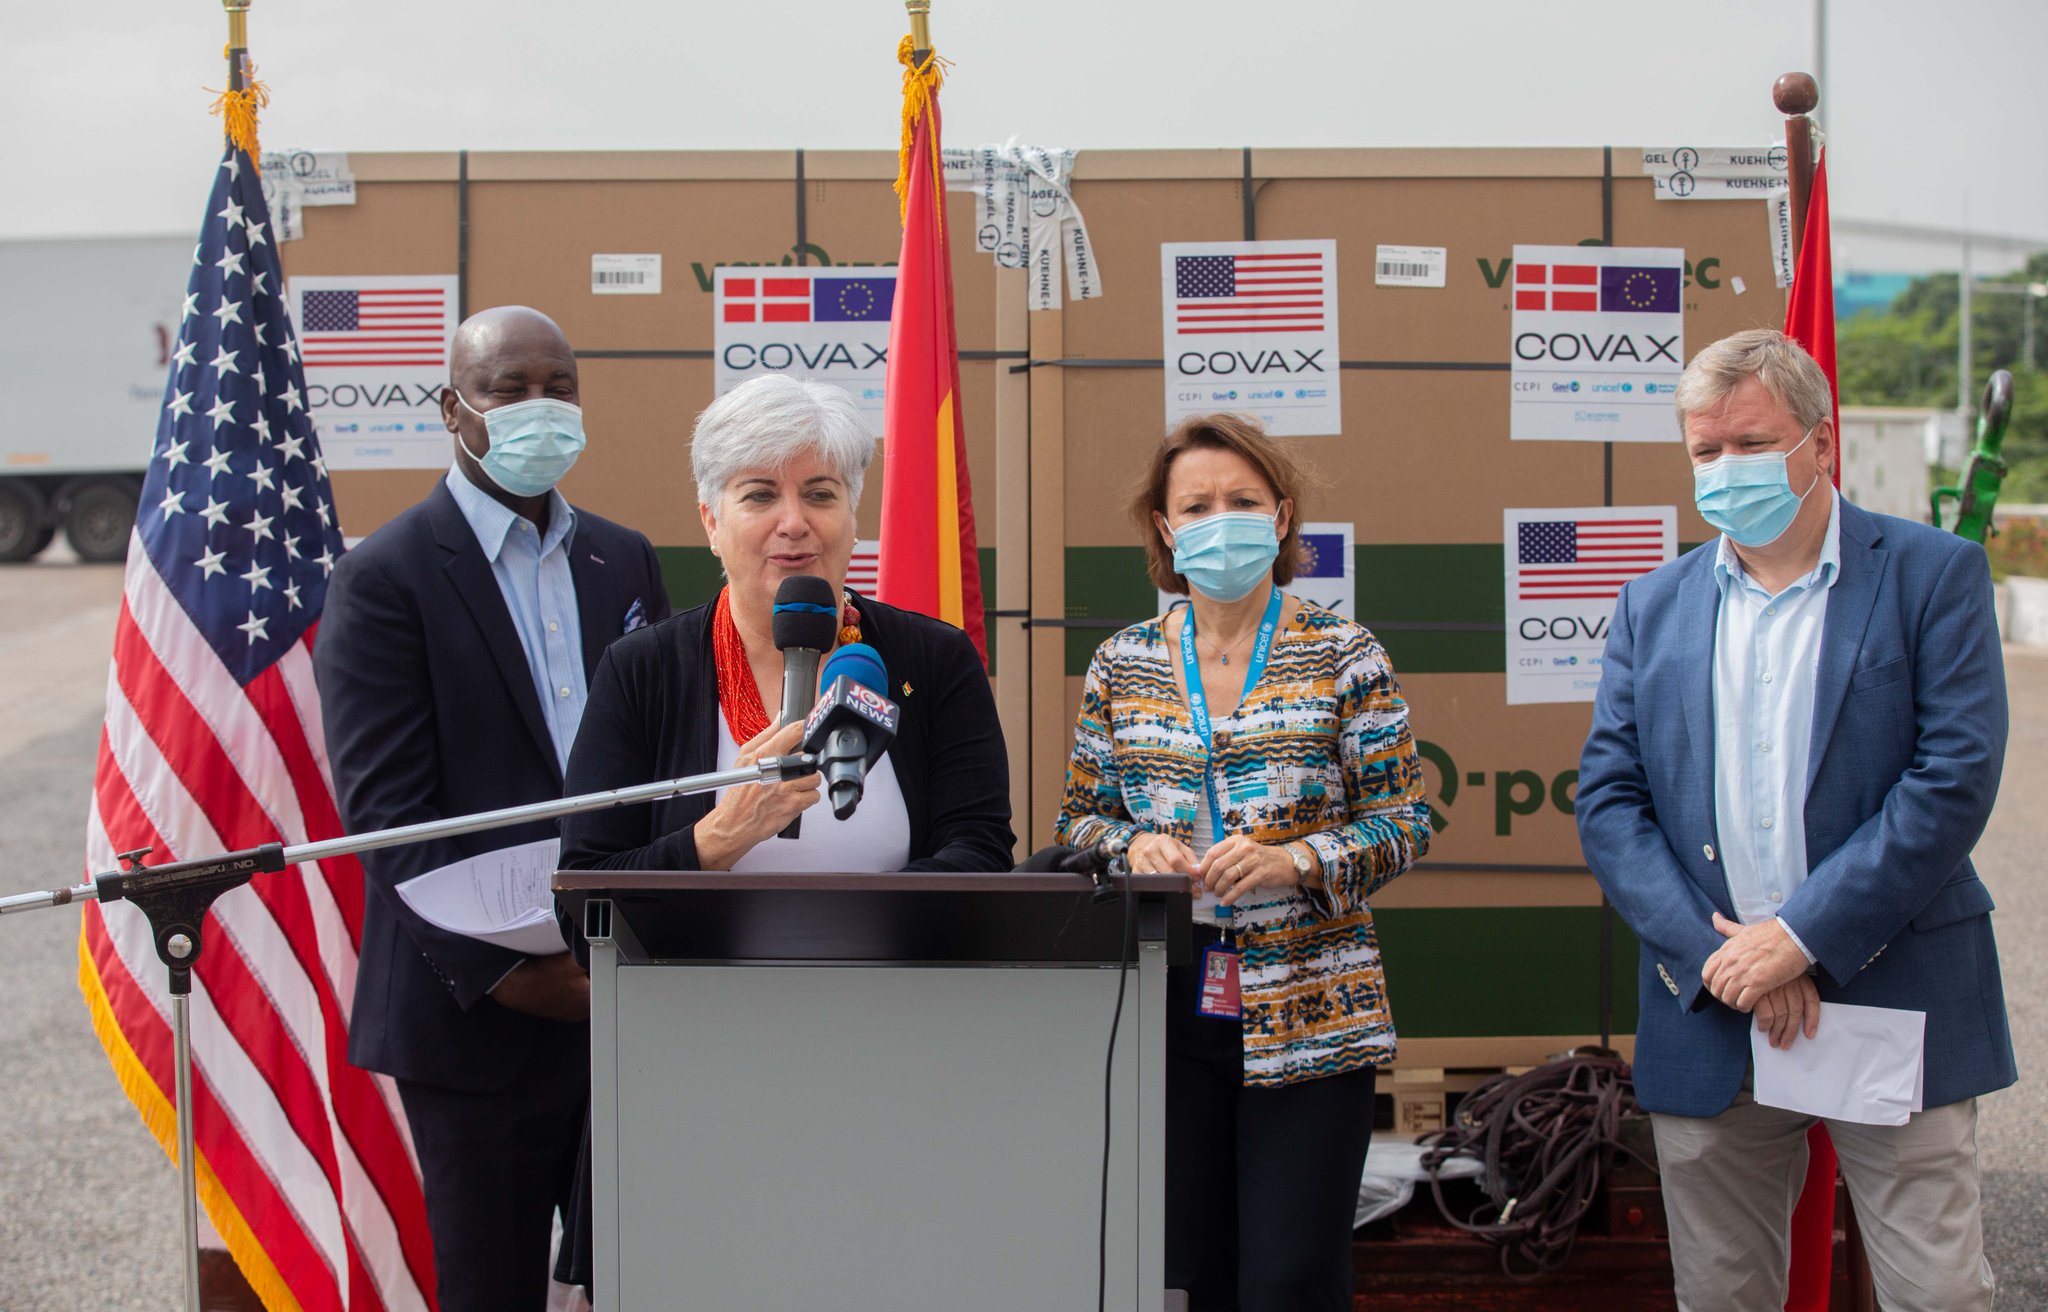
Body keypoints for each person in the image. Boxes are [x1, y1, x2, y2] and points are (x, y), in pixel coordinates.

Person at [1577, 329, 2012, 1311]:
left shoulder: (1929, 575)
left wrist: (1800, 938)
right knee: (1722, 1296)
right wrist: (1723, 956)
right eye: (1704, 451)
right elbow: (1607, 799)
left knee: (1934, 1294)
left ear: (1820, 442)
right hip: (1712, 1008)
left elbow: (1951, 778)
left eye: (1750, 441)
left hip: (1890, 992)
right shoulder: (1651, 604)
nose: (1725, 469)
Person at [314, 305, 670, 1312]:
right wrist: (509, 974)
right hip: (473, 1012)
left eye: (558, 386)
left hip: (617, 988)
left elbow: (652, 765)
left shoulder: (622, 557)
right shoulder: (383, 577)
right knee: (489, 1288)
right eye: (508, 389)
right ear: (452, 408)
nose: (538, 410)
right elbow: (388, 811)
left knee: (648, 1269)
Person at [1054, 413, 1432, 1312]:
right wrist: (1131, 844)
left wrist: (1296, 860)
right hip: (1164, 1001)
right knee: (1184, 1270)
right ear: (1164, 526)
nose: (1220, 519)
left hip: (1312, 1005)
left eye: (1242, 500)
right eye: (1197, 504)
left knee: (1290, 1277)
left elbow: (1404, 821)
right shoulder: (1124, 663)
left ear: (1283, 516)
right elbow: (1080, 818)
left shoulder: (1345, 655)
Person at [556, 370, 1014, 876]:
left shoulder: (935, 658)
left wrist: (864, 932)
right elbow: (584, 901)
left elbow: (981, 852)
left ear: (852, 512)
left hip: (891, 956)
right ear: (712, 521)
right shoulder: (641, 670)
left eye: (820, 495)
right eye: (760, 495)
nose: (794, 522)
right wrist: (718, 837)